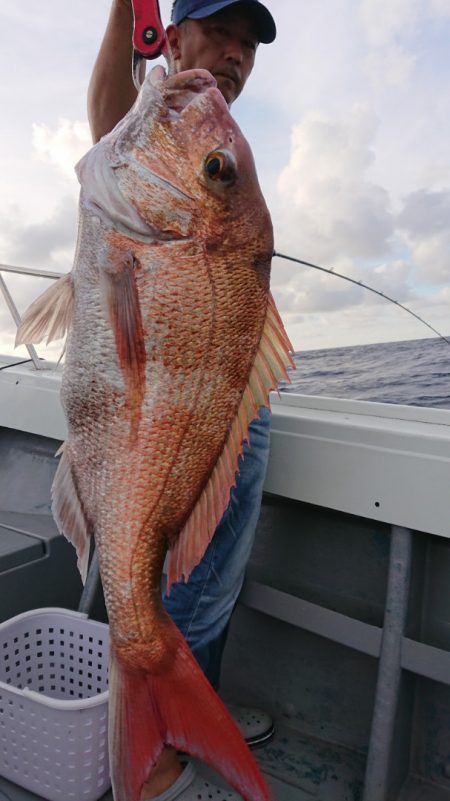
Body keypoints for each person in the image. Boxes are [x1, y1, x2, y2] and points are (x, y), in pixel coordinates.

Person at [87, 1, 276, 799]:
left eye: (248, 44)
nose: (234, 55)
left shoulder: (210, 138)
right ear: (173, 30)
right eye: (221, 33)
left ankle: (188, 702)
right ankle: (156, 748)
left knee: (218, 578)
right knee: (172, 589)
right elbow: (105, 120)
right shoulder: (155, 115)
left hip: (224, 395)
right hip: (172, 404)